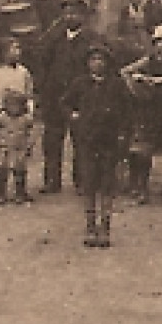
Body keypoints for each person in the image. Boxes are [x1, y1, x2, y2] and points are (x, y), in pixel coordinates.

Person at [63, 46, 134, 247]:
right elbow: (66, 103)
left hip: (109, 142)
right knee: (89, 184)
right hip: (87, 141)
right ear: (87, 63)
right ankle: (90, 226)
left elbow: (128, 112)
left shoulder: (117, 85)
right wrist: (73, 116)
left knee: (107, 184)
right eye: (93, 59)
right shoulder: (80, 84)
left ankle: (105, 227)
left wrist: (123, 134)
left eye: (101, 59)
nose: (97, 63)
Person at [36, 0, 97, 194]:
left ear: (83, 17)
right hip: (55, 96)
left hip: (80, 97)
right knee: (52, 139)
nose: (70, 17)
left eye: (74, 13)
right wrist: (43, 91)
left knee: (82, 138)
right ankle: (52, 180)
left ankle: (82, 180)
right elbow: (43, 64)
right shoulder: (53, 38)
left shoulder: (92, 39)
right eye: (66, 13)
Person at [122, 24, 162, 203]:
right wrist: (136, 83)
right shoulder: (149, 60)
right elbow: (125, 71)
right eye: (159, 42)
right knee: (144, 149)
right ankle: (141, 186)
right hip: (150, 108)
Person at [0, 89, 37, 205]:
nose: (14, 108)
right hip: (3, 149)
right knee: (2, 171)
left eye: (17, 105)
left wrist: (29, 145)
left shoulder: (26, 119)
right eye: (11, 105)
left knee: (19, 171)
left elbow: (32, 133)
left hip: (19, 149)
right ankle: (1, 193)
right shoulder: (1, 118)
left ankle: (20, 193)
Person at [0, 38, 36, 119]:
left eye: (18, 48)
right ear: (5, 51)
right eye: (14, 48)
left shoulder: (24, 72)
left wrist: (30, 113)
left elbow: (29, 97)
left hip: (20, 118)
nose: (18, 52)